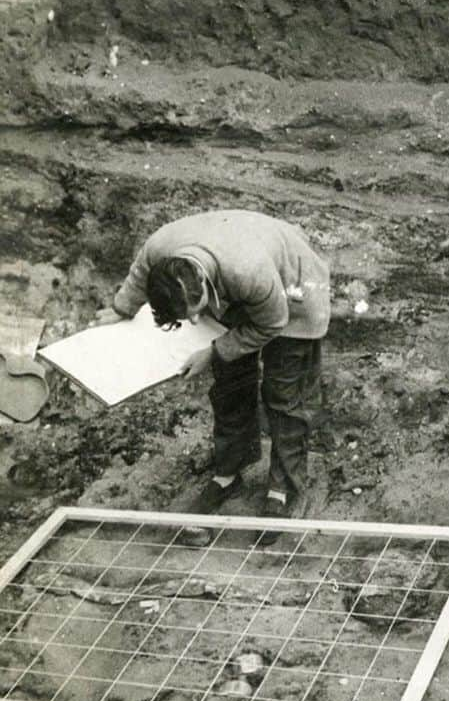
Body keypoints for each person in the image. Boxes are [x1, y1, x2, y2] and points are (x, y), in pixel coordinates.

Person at [103, 209, 330, 518]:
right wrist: (121, 308)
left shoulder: (248, 270)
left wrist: (214, 350)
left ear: (203, 282)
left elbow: (272, 324)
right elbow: (141, 274)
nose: (195, 320)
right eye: (187, 318)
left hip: (294, 292)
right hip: (240, 279)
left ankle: (284, 486)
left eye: (197, 310)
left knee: (285, 394)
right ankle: (230, 471)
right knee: (230, 386)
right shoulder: (159, 249)